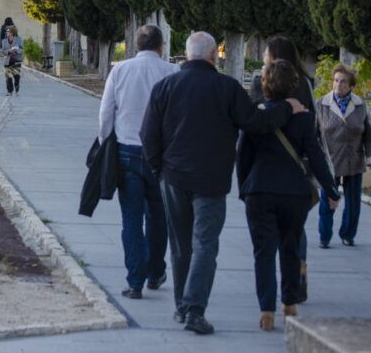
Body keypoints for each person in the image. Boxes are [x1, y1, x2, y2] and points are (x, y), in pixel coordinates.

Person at [140, 31, 306, 335]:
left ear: (187, 55)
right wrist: (286, 108)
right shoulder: (227, 88)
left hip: (173, 177)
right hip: (211, 180)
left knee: (180, 246)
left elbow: (148, 134)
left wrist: (159, 170)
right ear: (214, 56)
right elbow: (256, 124)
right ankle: (194, 310)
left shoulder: (165, 87)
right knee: (205, 245)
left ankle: (182, 306)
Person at [237, 60, 339, 331]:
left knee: (263, 252)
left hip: (259, 190)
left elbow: (242, 156)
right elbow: (315, 156)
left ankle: (266, 311)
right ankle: (289, 303)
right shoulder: (304, 118)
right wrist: (331, 188)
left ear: (265, 85)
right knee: (290, 248)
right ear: (294, 84)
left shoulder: (256, 115)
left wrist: (244, 188)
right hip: (294, 193)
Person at [99, 24, 178, 300]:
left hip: (126, 151)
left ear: (136, 46)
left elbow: (106, 112)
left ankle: (135, 280)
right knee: (158, 216)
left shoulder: (120, 70)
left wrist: (105, 143)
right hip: (161, 155)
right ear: (161, 46)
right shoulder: (172, 72)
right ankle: (156, 272)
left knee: (130, 218)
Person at [247, 36, 317, 301]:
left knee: (266, 240)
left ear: (274, 55)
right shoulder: (307, 84)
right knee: (295, 230)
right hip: (299, 165)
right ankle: (298, 276)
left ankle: (268, 299)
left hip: (265, 166)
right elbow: (313, 126)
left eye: (266, 52)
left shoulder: (260, 82)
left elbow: (253, 121)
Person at [316, 63, 371, 248]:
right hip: (330, 160)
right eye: (336, 80)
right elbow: (313, 134)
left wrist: (369, 158)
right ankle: (324, 236)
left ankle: (348, 234)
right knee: (327, 200)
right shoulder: (322, 104)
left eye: (343, 82)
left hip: (354, 159)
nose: (339, 84)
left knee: (353, 202)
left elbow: (368, 134)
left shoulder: (360, 105)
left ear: (351, 85)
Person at [0, 24, 23, 96]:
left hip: (16, 61)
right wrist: (9, 51)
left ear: (12, 32)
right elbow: (2, 51)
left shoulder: (19, 39)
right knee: (8, 77)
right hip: (7, 61)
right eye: (6, 32)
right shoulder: (4, 41)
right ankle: (9, 91)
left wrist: (16, 51)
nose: (7, 33)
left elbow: (22, 49)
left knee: (16, 77)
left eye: (8, 32)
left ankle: (17, 90)